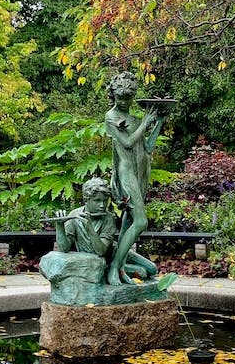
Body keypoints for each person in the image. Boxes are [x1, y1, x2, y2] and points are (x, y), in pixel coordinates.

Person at [104, 71, 165, 285]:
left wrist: (158, 123)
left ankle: (119, 269)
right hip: (127, 172)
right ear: (113, 95)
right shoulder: (111, 117)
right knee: (140, 221)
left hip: (141, 172)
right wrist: (145, 123)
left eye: (128, 98)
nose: (124, 102)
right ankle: (113, 270)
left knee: (128, 222)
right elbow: (128, 142)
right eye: (120, 97)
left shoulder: (134, 118)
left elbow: (147, 148)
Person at [54, 177, 118, 269]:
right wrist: (60, 227)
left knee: (142, 271)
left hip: (106, 263)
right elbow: (64, 249)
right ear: (86, 200)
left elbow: (101, 251)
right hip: (85, 262)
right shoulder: (74, 215)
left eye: (105, 201)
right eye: (97, 200)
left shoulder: (108, 218)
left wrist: (90, 229)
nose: (102, 205)